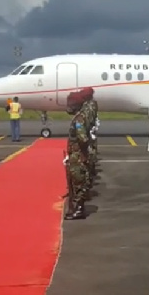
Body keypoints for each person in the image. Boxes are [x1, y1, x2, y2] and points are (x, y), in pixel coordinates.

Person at [64, 91, 90, 220]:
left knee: (79, 181)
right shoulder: (78, 118)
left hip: (77, 154)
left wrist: (81, 153)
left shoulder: (79, 119)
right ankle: (77, 207)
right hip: (75, 153)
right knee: (75, 181)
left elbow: (82, 138)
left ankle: (80, 209)